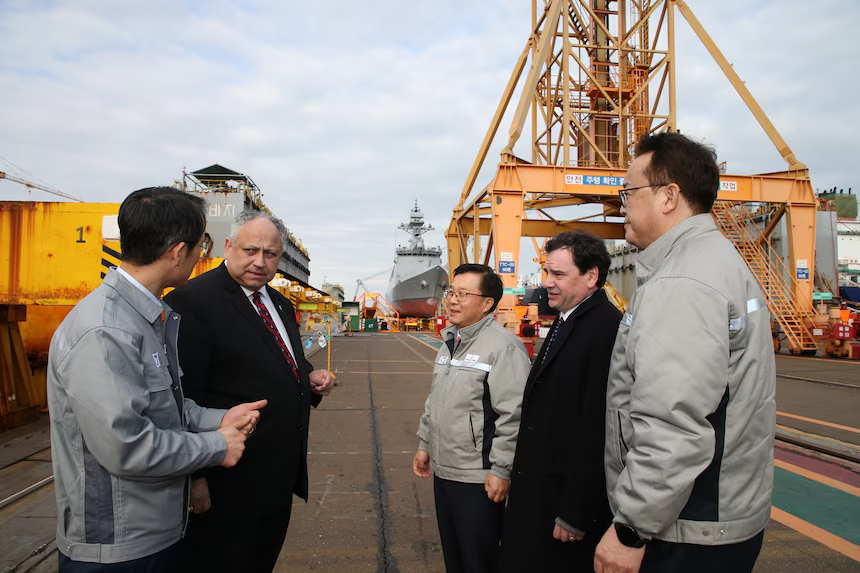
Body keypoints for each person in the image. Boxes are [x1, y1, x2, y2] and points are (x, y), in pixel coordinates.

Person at [47, 187, 266, 572]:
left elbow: (162, 407)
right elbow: (126, 447)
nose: (204, 254)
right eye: (203, 244)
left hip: (154, 532)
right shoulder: (106, 329)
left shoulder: (146, 317)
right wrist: (217, 446)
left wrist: (219, 419)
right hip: (116, 548)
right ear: (178, 251)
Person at [595, 132, 775, 573]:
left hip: (684, 531)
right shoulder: (718, 260)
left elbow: (673, 426)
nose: (621, 206)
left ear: (669, 196)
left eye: (629, 191)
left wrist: (630, 530)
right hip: (720, 517)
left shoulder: (683, 283)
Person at [164, 210, 335, 573]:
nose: (260, 262)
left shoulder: (280, 303)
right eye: (250, 250)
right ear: (229, 246)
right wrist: (195, 479)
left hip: (275, 477)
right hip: (227, 480)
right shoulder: (193, 302)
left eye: (270, 254)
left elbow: (279, 360)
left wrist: (309, 377)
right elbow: (180, 397)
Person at [499, 230, 622, 572]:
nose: (547, 282)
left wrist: (575, 512)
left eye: (558, 274)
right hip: (540, 493)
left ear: (592, 276)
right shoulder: (567, 319)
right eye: (546, 272)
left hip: (562, 506)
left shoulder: (605, 330)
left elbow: (598, 428)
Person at [413, 264, 531, 573]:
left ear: (488, 303)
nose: (452, 300)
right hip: (445, 470)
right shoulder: (450, 341)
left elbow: (514, 416)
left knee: (479, 561)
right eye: (451, 292)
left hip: (479, 479)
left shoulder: (503, 348)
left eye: (463, 294)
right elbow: (436, 398)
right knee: (455, 559)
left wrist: (502, 470)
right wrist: (425, 443)